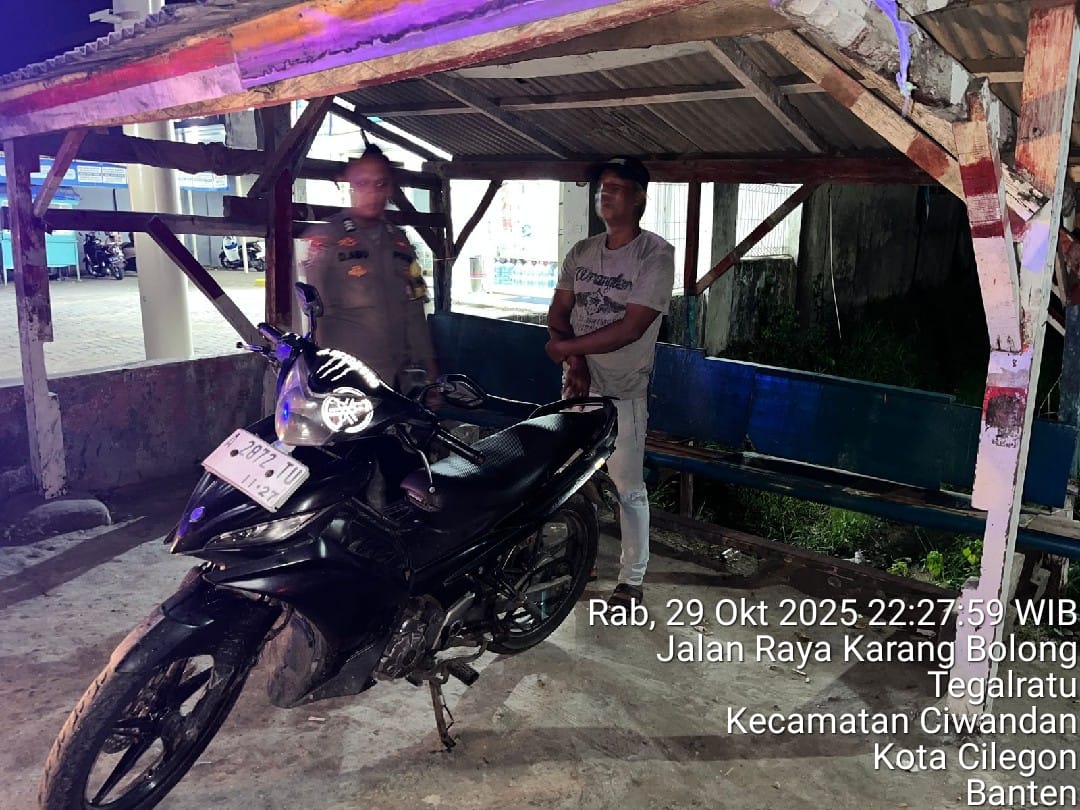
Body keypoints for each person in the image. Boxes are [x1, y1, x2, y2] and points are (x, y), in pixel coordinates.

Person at [545, 156, 675, 609]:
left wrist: (566, 348)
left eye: (616, 187)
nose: (605, 194)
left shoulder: (655, 255)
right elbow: (558, 312)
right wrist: (575, 358)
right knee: (572, 478)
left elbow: (630, 329)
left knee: (628, 487)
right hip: (577, 386)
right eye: (602, 186)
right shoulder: (581, 252)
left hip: (623, 390)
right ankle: (582, 557)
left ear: (639, 197)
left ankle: (631, 579)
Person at [301, 143, 437, 392]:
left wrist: (431, 371)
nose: (372, 193)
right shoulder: (327, 238)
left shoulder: (400, 242)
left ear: (390, 188)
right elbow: (312, 314)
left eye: (380, 184)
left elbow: (415, 310)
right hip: (348, 378)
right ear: (351, 186)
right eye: (363, 184)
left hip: (399, 377)